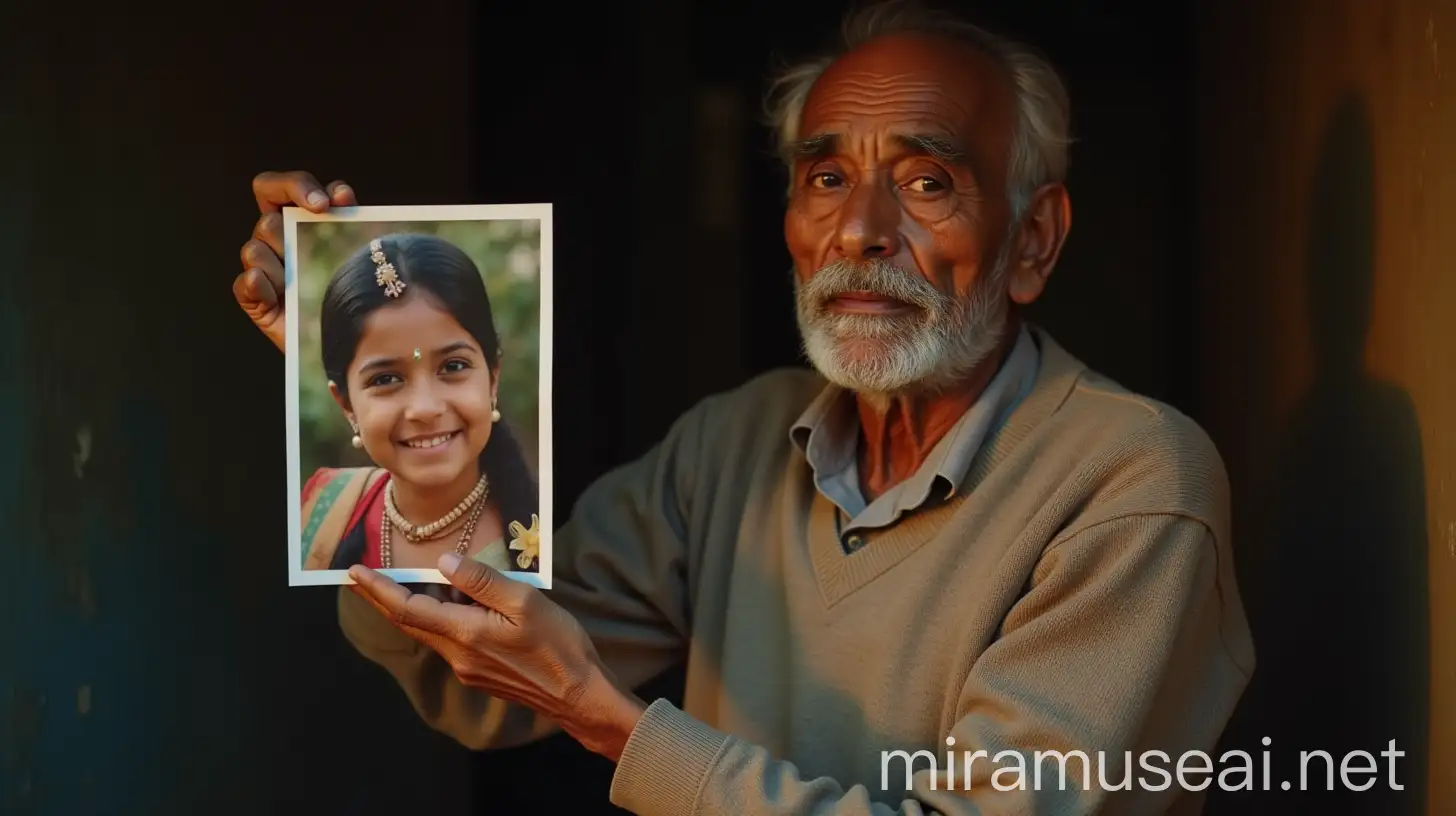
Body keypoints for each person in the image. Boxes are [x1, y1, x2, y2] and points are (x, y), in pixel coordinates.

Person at [233, 2, 1254, 813]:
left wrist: (620, 732)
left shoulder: (1135, 481)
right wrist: (381, 380)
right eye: (824, 176)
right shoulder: (733, 442)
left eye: (928, 180)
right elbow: (476, 668)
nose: (860, 229)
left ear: (1033, 240)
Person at [297, 232, 541, 575]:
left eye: (453, 366)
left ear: (493, 378)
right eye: (385, 379)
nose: (425, 409)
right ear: (346, 405)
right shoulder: (321, 510)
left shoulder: (556, 534)